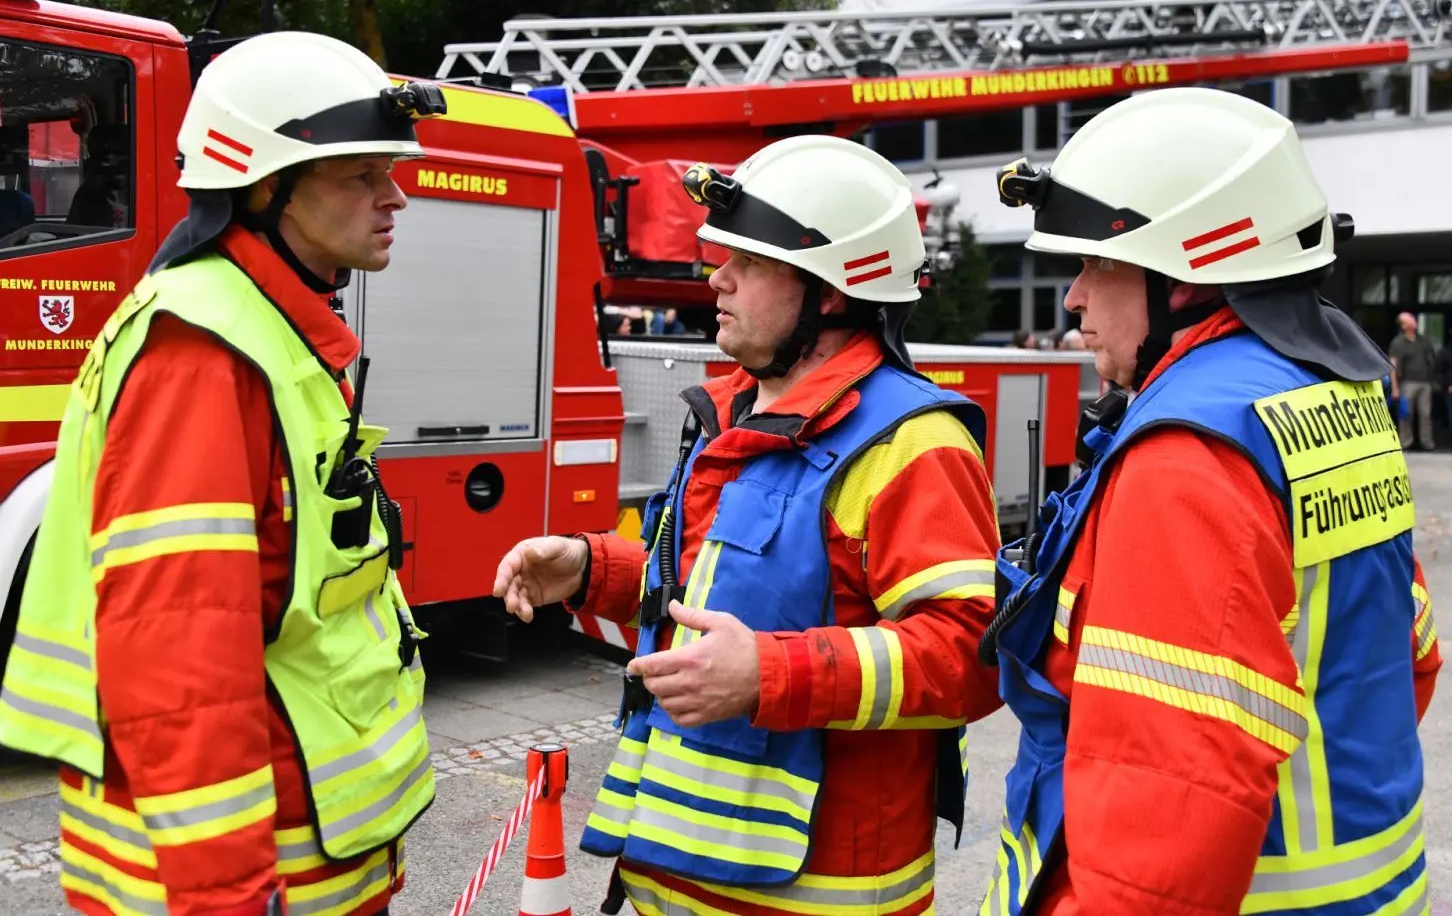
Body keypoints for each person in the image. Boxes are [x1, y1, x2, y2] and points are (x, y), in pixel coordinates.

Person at [0, 31, 447, 916]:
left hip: (311, 835)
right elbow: (180, 651)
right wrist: (227, 894)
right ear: (266, 185)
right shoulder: (202, 352)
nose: (395, 196)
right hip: (248, 869)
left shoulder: (263, 321)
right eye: (361, 175)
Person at [493, 135, 1004, 916]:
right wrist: (593, 569)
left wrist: (770, 674)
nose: (716, 276)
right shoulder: (737, 410)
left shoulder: (912, 444)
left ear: (832, 291)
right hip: (675, 881)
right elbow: (715, 589)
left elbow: (972, 657)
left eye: (751, 260)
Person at [983, 86, 1441, 915]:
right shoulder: (1335, 391)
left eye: (1099, 263)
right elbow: (1406, 657)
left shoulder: (1188, 455)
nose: (1074, 297)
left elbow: (1158, 839)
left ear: (1187, 273)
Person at [1388, 311, 1439, 450]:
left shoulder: (1423, 340)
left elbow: (1432, 359)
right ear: (1403, 325)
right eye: (1409, 319)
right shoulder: (1398, 343)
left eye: (1412, 317)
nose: (1413, 320)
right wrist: (1395, 387)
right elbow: (1393, 366)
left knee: (1426, 414)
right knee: (1406, 413)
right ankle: (1406, 442)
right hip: (1407, 382)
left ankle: (1427, 442)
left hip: (1424, 382)